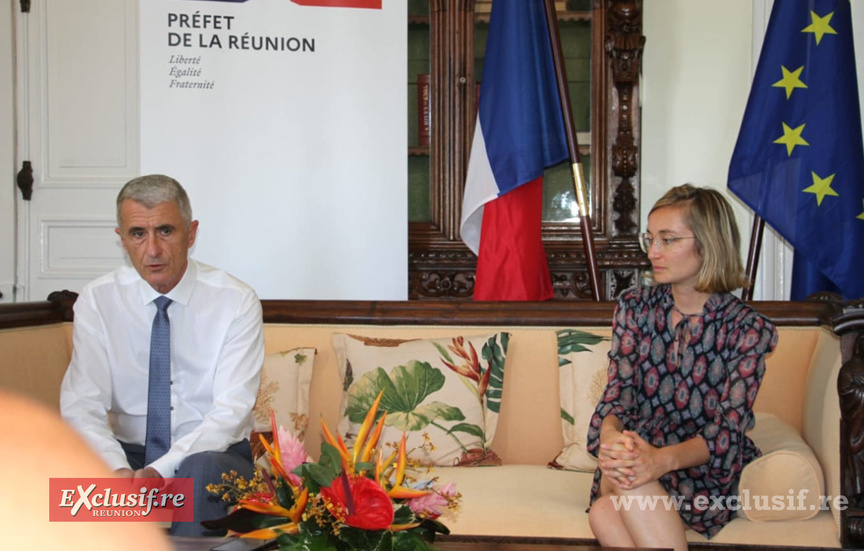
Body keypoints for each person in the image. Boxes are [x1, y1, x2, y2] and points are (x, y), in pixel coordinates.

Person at [60, 174, 265, 536]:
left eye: (166, 231)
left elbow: (230, 413)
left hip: (215, 456)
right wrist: (117, 471)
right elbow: (81, 404)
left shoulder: (235, 301)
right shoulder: (97, 300)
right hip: (127, 453)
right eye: (138, 234)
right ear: (121, 239)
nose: (152, 250)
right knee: (48, 470)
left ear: (192, 233)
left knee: (198, 472)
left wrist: (160, 471)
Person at [586, 184, 778, 550]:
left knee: (606, 511)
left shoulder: (747, 329)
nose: (653, 253)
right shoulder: (635, 307)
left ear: (708, 245)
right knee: (623, 481)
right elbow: (619, 393)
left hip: (699, 470)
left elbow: (726, 430)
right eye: (651, 239)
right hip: (637, 455)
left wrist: (659, 461)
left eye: (668, 240)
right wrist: (611, 436)